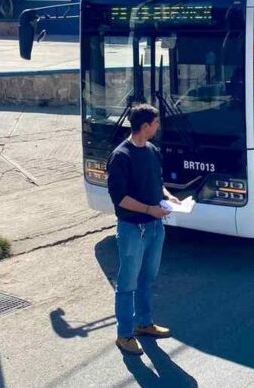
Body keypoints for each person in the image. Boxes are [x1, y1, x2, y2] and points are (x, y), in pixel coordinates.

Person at [107, 103, 179, 356]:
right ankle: (124, 336)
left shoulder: (151, 150)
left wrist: (169, 197)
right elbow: (119, 198)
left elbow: (157, 184)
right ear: (145, 126)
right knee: (127, 283)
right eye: (156, 123)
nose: (158, 127)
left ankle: (144, 323)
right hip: (132, 230)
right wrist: (149, 210)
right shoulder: (121, 156)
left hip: (155, 227)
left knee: (146, 279)